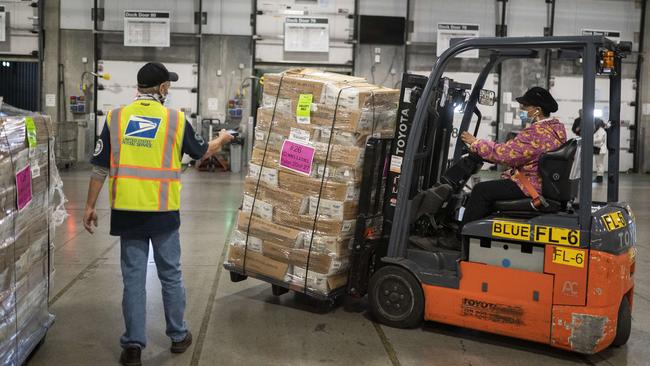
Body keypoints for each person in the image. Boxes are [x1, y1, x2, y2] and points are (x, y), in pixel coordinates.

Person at [82, 62, 234, 366]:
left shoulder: (115, 118)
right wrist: (223, 139)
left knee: (134, 280)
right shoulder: (175, 119)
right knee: (170, 275)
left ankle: (134, 347)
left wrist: (88, 206)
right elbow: (201, 151)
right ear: (162, 89)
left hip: (127, 214)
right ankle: (178, 336)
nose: (170, 90)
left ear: (139, 88)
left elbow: (100, 167)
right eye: (169, 85)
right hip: (163, 213)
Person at [460, 87, 567, 225]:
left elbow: (505, 155)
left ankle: (461, 236)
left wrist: (476, 143)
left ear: (538, 110)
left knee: (480, 190)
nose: (523, 109)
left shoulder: (536, 132)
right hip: (541, 181)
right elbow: (516, 150)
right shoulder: (556, 129)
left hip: (530, 184)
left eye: (526, 106)